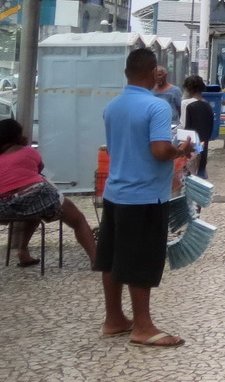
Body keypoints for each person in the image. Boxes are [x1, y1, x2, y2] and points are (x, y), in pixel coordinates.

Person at [97, 48, 194, 347]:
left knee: (112, 258)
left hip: (115, 193)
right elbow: (159, 150)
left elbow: (115, 149)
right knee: (141, 260)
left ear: (127, 72)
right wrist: (181, 150)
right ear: (153, 73)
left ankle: (114, 318)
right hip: (145, 196)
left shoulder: (112, 107)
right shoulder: (157, 107)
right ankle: (142, 326)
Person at [0, 119, 97, 268]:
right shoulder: (29, 151)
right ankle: (95, 259)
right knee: (78, 220)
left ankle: (23, 251)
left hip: (5, 207)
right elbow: (39, 169)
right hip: (36, 197)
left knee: (31, 212)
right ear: (18, 135)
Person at [182, 75, 215, 180]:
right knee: (199, 176)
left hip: (190, 146)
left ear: (188, 88)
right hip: (203, 146)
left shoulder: (187, 104)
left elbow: (184, 126)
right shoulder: (207, 105)